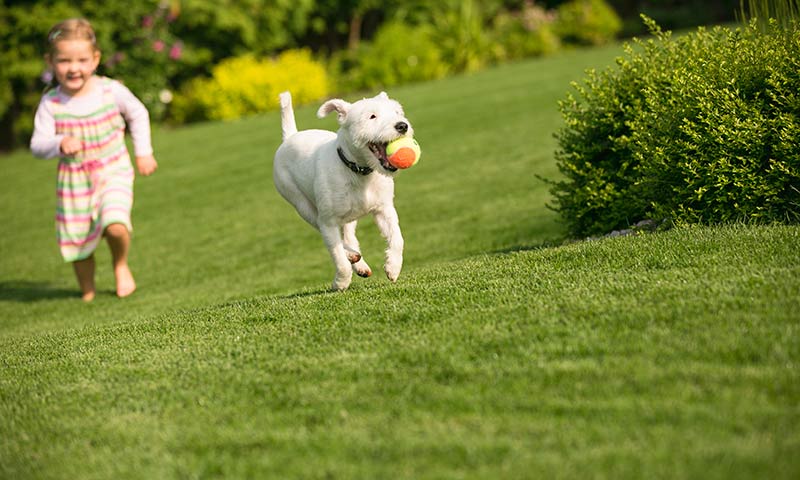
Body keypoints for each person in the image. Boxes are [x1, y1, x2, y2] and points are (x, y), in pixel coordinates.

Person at [30, 18, 158, 302]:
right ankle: (87, 288)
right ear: (50, 62)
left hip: (113, 169)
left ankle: (120, 265)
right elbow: (37, 145)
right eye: (64, 60)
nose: (73, 68)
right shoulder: (51, 103)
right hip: (74, 182)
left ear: (95, 59)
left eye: (82, 60)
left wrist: (143, 151)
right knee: (78, 241)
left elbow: (138, 113)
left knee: (116, 224)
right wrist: (59, 142)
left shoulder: (110, 91)